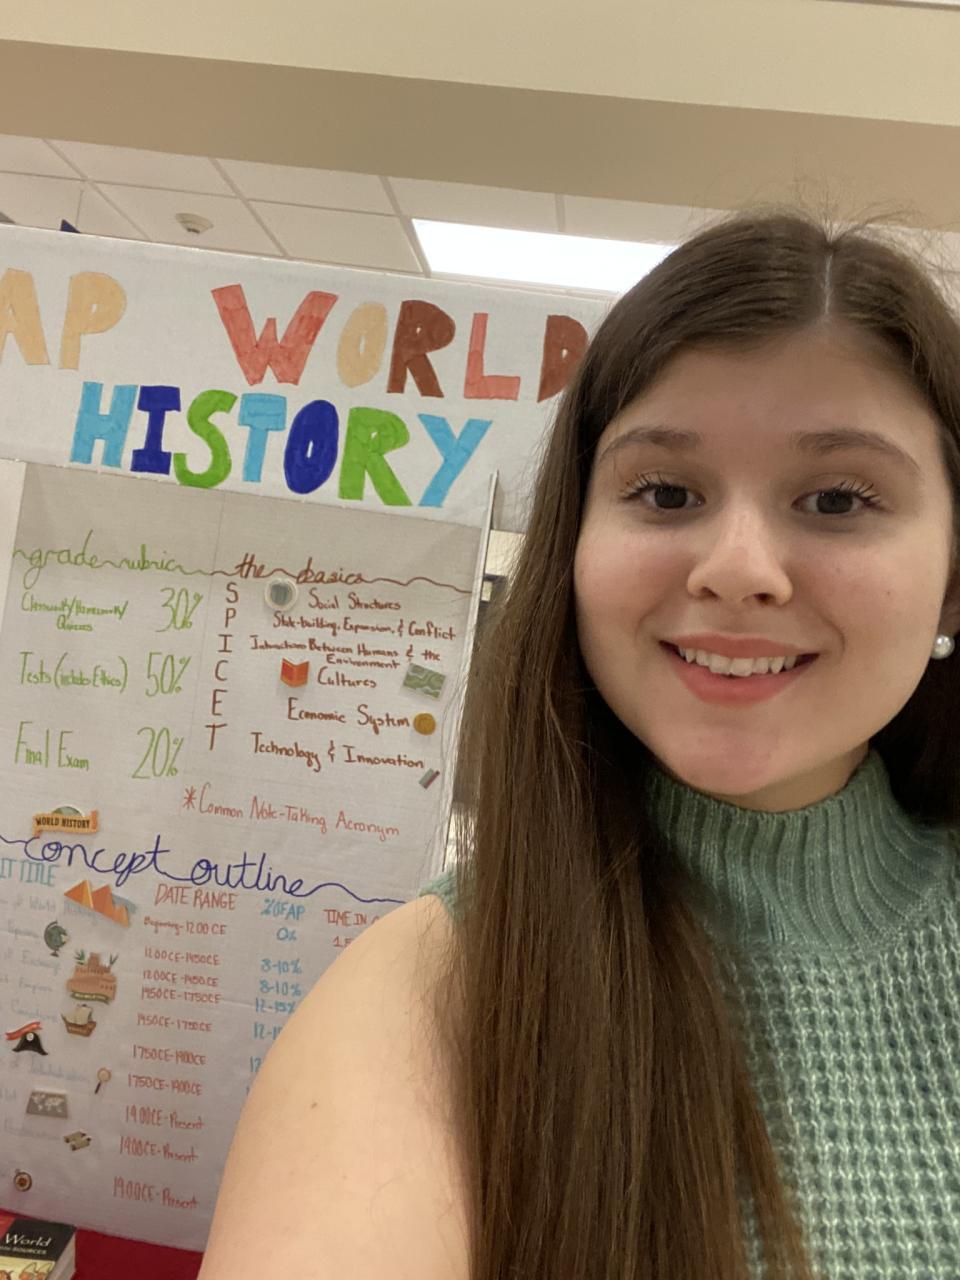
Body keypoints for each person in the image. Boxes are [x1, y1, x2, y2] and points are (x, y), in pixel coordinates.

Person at [198, 206, 960, 1280]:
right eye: (666, 492)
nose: (737, 568)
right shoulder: (432, 991)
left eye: (838, 498)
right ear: (575, 546)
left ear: (953, 578)